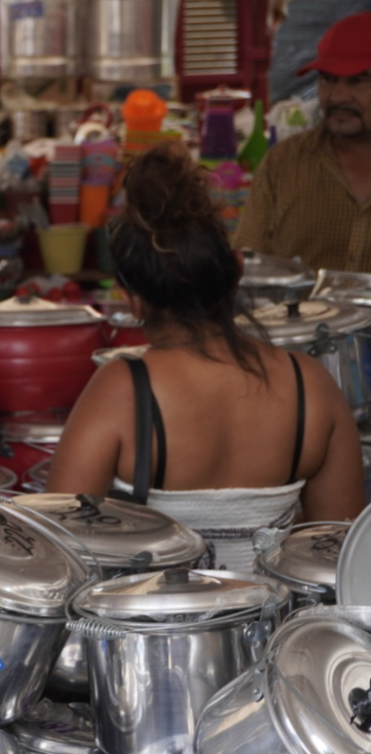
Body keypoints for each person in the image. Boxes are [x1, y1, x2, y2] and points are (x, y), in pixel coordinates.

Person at [50, 142, 364, 571]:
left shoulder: (121, 390)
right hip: (277, 635)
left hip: (154, 637)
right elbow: (340, 560)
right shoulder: (310, 384)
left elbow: (56, 551)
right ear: (236, 270)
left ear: (134, 301)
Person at [236, 11, 371, 272]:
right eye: (328, 79)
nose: (339, 96)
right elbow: (249, 268)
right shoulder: (283, 164)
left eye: (358, 81)